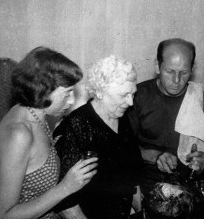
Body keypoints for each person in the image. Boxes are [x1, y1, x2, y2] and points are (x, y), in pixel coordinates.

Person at [0, 47, 98, 219]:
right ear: (43, 89)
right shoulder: (20, 133)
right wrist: (66, 187)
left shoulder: (37, 115)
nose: (71, 101)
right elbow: (3, 216)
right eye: (67, 93)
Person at [53, 55, 143, 219]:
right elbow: (66, 203)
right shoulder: (76, 126)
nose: (130, 102)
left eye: (133, 94)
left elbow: (133, 178)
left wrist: (143, 213)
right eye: (123, 95)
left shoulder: (122, 117)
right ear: (100, 92)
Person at [127, 38, 204, 194]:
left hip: (186, 187)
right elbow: (122, 150)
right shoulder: (136, 97)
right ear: (157, 66)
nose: (176, 80)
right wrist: (155, 156)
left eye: (184, 72)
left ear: (192, 69)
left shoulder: (201, 100)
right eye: (169, 71)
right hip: (145, 185)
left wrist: (203, 162)